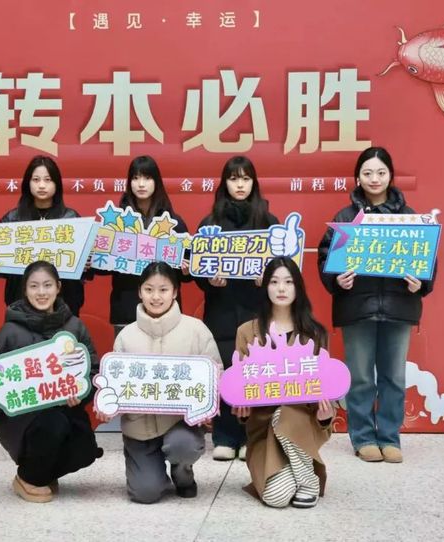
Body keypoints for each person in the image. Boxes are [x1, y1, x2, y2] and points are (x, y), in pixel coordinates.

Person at [317, 146, 436, 463]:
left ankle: (390, 437)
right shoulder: (346, 218)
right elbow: (326, 259)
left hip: (399, 308)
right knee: (361, 377)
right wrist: (337, 280)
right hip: (357, 308)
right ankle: (363, 437)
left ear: (390, 176)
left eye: (381, 172)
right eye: (367, 173)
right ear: (357, 177)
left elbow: (427, 260)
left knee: (394, 377)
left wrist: (421, 283)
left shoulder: (410, 218)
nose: (374, 178)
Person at [0, 261, 102, 503]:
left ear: (58, 287)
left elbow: (92, 370)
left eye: (47, 285)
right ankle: (28, 478)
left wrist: (81, 392)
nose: (41, 292)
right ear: (25, 289)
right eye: (34, 286)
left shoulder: (74, 326)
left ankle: (44, 472)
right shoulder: (10, 330)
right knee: (53, 424)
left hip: (64, 406)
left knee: (85, 450)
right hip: (20, 415)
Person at [96, 262, 221, 503]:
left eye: (163, 290)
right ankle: (151, 472)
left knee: (182, 446)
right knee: (145, 493)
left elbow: (216, 375)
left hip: (180, 424)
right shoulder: (126, 335)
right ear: (139, 292)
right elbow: (115, 385)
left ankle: (182, 473)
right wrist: (107, 404)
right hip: (139, 427)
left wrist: (209, 408)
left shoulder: (196, 330)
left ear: (175, 292)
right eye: (149, 289)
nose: (155, 297)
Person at [195, 155, 278, 461]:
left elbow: (284, 271)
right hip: (222, 312)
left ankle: (254, 437)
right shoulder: (210, 225)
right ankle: (225, 436)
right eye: (233, 179)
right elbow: (197, 270)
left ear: (254, 183)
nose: (239, 184)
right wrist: (209, 280)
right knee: (226, 373)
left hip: (258, 312)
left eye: (245, 178)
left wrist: (268, 279)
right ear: (224, 183)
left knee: (257, 373)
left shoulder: (270, 224)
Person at [234, 257, 334, 508]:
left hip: (301, 423)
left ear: (298, 287)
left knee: (286, 414)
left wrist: (325, 416)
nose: (281, 288)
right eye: (274, 282)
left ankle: (308, 481)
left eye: (289, 282)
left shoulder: (315, 332)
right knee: (276, 498)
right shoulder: (247, 331)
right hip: (263, 429)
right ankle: (297, 470)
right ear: (265, 286)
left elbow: (325, 385)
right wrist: (242, 411)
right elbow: (241, 385)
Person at [0, 155, 89, 316]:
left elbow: (85, 271)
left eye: (48, 180)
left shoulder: (72, 219)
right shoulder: (12, 220)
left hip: (63, 306)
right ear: (27, 183)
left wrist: (86, 264)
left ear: (57, 184)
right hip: (21, 306)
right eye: (36, 180)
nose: (42, 185)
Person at [106, 156, 190, 337]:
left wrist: (186, 270)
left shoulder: (173, 223)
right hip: (127, 309)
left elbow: (188, 271)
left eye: (147, 178)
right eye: (135, 178)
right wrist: (93, 261)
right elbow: (103, 265)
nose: (141, 184)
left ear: (156, 182)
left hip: (165, 312)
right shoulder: (116, 222)